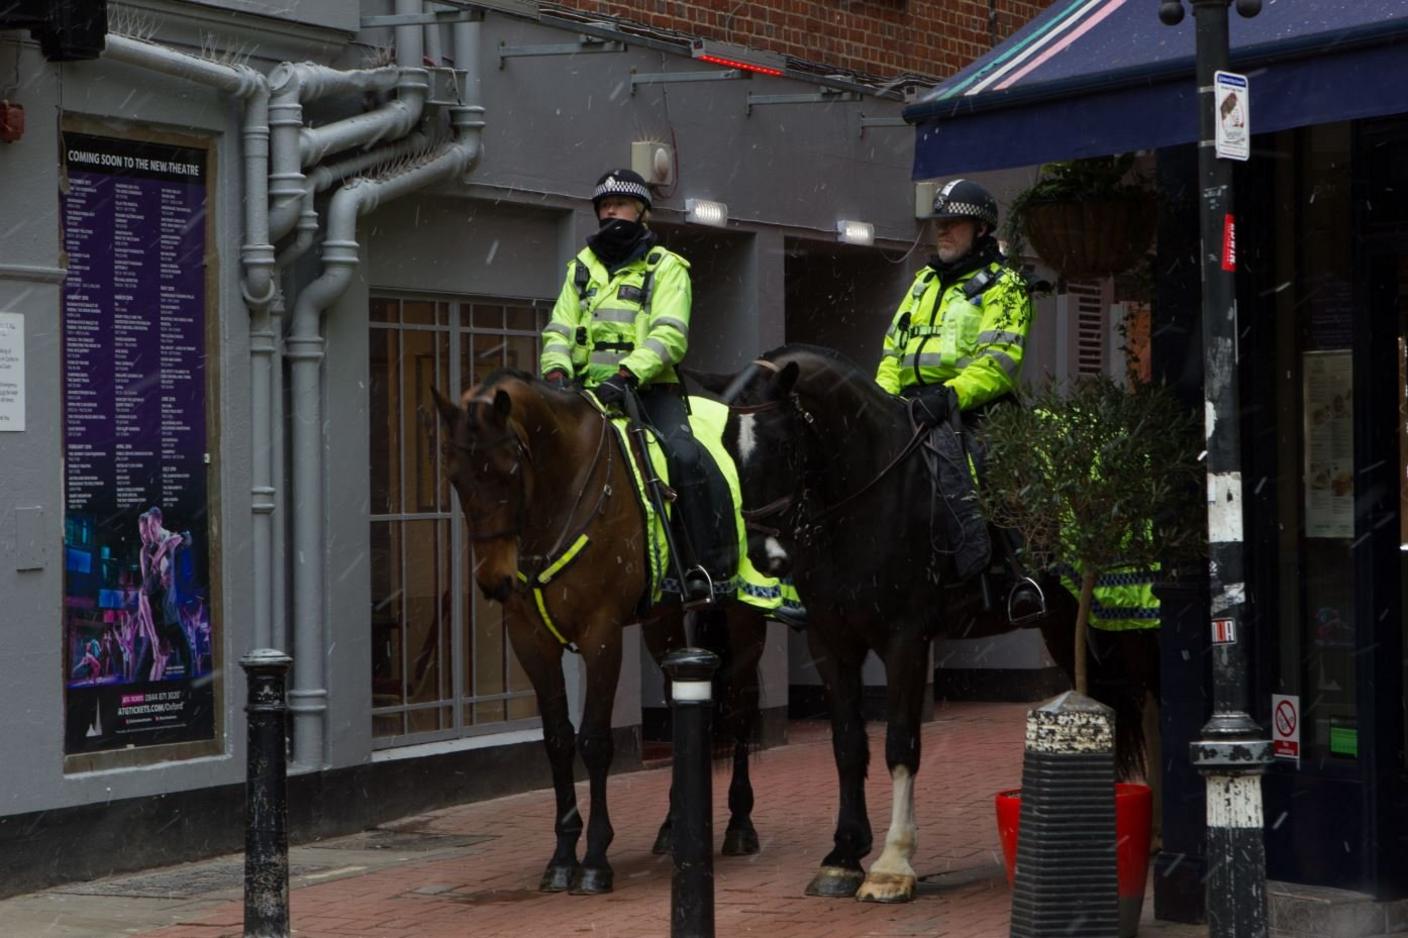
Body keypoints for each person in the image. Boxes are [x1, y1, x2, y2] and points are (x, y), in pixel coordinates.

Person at [874, 178, 1042, 621]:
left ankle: (1020, 577)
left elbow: (999, 361)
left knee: (987, 475)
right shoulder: (923, 282)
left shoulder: (1005, 286)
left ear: (981, 230)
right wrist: (884, 402)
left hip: (974, 411)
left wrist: (948, 396)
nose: (942, 231)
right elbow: (893, 351)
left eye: (954, 223)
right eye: (939, 223)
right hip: (909, 407)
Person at [540, 168, 712, 601]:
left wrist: (626, 376)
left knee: (685, 456)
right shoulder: (580, 268)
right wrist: (556, 374)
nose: (609, 210)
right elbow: (558, 329)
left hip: (649, 393)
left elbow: (668, 335)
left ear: (641, 210)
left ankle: (698, 565)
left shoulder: (667, 268)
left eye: (618, 203)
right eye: (603, 205)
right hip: (584, 395)